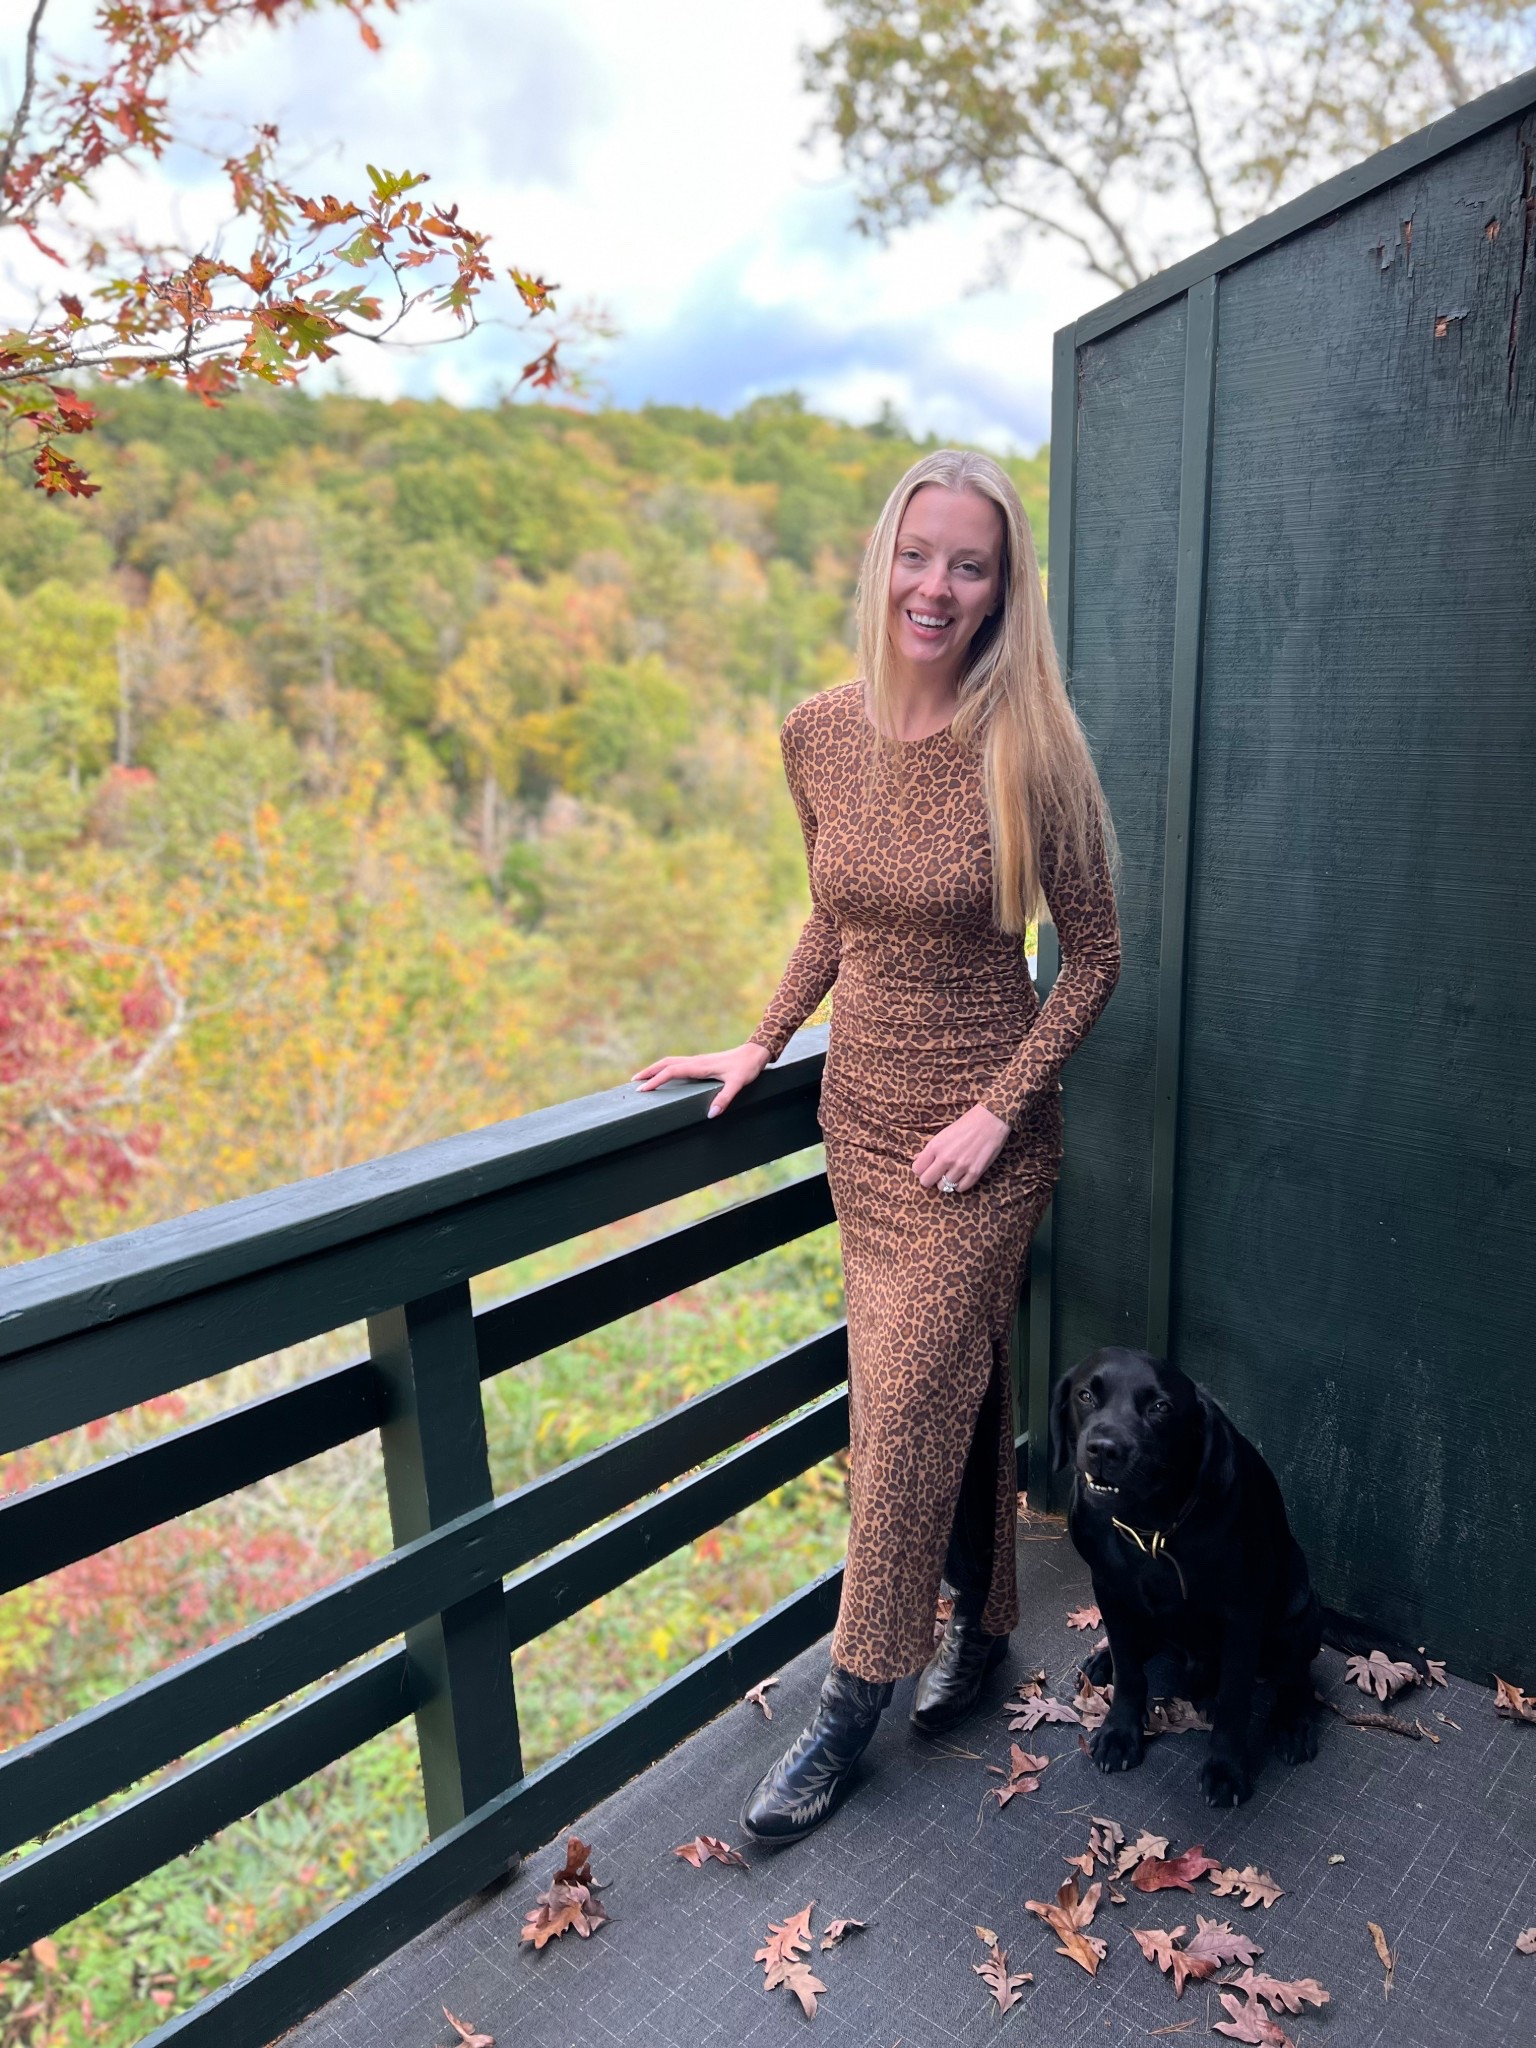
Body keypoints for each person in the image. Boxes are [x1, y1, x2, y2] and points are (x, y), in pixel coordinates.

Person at [633, 449, 1121, 1843]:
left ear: (999, 587)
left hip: (979, 1148)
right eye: (921, 556)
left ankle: (853, 1698)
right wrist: (762, 1038)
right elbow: (836, 912)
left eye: (970, 565)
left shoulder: (1032, 743)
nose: (938, 586)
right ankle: (980, 1632)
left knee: (897, 1403)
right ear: (882, 563)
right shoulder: (818, 731)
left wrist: (998, 1107)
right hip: (862, 1131)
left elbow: (1092, 958)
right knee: (946, 1393)